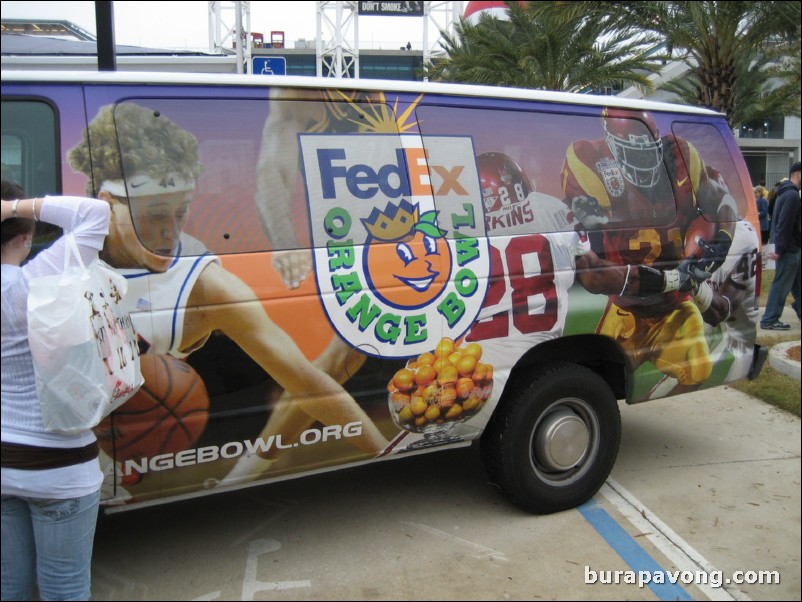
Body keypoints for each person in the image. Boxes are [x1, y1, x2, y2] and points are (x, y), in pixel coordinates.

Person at [66, 103, 390, 493]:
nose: (170, 231)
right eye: (154, 215)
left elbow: (310, 386)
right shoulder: (59, 259)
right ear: (105, 203)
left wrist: (389, 455)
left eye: (181, 212)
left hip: (114, 462)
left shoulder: (206, 285)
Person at [562, 107, 739, 398]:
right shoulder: (588, 162)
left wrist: (720, 237)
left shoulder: (680, 155)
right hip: (625, 306)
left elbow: (722, 201)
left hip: (672, 304)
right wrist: (674, 279)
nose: (643, 160)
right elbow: (593, 275)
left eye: (648, 150)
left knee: (698, 370)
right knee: (596, 380)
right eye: (633, 151)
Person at [2, 181, 111, 601]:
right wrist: (11, 205)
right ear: (26, 236)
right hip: (58, 467)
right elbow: (94, 214)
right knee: (63, 586)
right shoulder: (33, 284)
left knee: (8, 585)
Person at [760, 162, 801, 330]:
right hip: (788, 249)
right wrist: (780, 249)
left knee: (797, 284)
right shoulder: (791, 195)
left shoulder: (783, 193)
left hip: (789, 247)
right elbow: (784, 224)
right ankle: (769, 319)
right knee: (781, 284)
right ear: (798, 174)